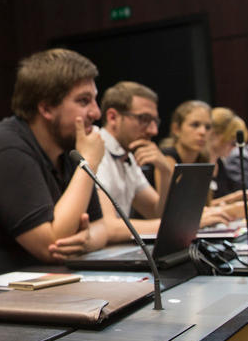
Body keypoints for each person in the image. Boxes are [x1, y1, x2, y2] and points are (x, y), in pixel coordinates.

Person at [0, 48, 110, 277]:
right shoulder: (6, 146)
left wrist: (86, 241)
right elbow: (52, 246)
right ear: (46, 107)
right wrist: (89, 162)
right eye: (83, 101)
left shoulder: (67, 149)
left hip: (43, 284)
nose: (96, 113)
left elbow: (102, 226)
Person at [95, 83, 227, 240]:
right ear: (113, 117)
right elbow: (108, 227)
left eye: (154, 121)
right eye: (143, 119)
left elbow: (156, 212)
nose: (153, 130)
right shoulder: (97, 149)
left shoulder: (126, 155)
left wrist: (164, 171)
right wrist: (186, 224)